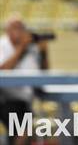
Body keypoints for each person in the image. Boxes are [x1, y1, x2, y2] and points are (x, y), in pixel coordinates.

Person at [0, 16, 49, 145]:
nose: (20, 32)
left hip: (26, 99)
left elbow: (45, 72)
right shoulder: (2, 45)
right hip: (6, 97)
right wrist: (21, 48)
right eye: (16, 28)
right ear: (8, 31)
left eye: (22, 28)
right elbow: (3, 69)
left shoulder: (32, 48)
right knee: (23, 131)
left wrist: (44, 53)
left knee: (24, 132)